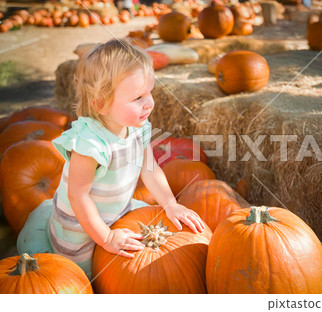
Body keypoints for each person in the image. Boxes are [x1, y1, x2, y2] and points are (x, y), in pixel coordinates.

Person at [17, 39, 205, 279]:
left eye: (150, 92)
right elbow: (78, 196)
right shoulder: (90, 144)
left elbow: (150, 168)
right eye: (138, 98)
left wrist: (171, 204)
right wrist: (106, 238)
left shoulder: (137, 127)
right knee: (88, 278)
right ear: (101, 104)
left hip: (117, 210)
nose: (148, 103)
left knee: (155, 222)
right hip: (80, 226)